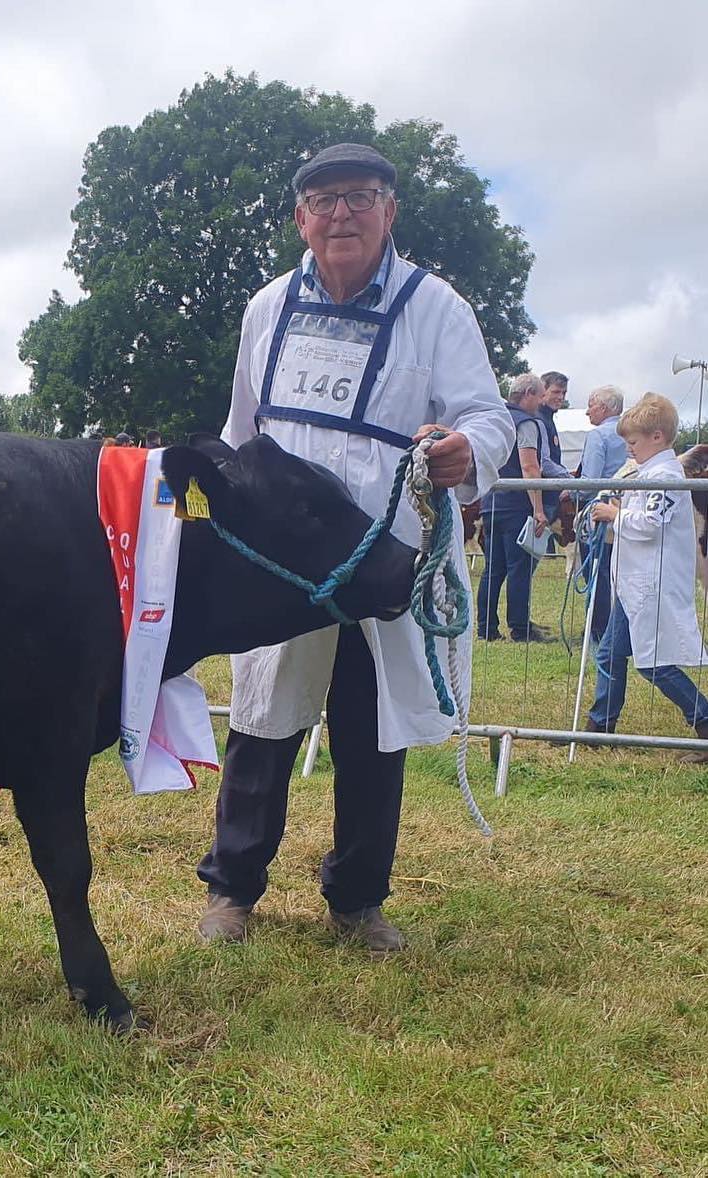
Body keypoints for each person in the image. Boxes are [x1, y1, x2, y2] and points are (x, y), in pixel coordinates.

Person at [198, 142, 513, 953]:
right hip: (284, 558)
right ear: (300, 218)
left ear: (389, 210)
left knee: (373, 725)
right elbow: (242, 429)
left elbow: (488, 417)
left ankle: (358, 899)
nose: (342, 213)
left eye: (360, 196)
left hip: (385, 552)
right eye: (324, 200)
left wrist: (466, 452)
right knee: (263, 719)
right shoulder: (267, 306)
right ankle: (233, 888)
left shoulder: (436, 307)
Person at [586, 393, 708, 761]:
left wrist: (614, 515)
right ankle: (599, 726)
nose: (629, 449)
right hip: (634, 584)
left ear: (657, 437)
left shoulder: (666, 476)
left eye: (634, 442)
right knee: (609, 653)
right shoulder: (649, 474)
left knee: (654, 664)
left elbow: (651, 524)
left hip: (651, 584)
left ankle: (704, 721)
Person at [475, 373, 553, 642]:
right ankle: (520, 629)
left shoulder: (495, 418)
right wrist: (538, 509)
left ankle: (486, 628)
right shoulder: (526, 423)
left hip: (490, 502)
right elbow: (529, 467)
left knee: (492, 569)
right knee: (519, 568)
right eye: (540, 396)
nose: (542, 402)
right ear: (528, 394)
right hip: (516, 505)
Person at [576, 385, 628, 642]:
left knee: (597, 571)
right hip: (627, 511)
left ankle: (598, 629)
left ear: (604, 408)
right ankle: (620, 628)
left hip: (600, 512)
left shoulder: (598, 435)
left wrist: (568, 491)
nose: (588, 412)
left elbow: (590, 481)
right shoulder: (630, 434)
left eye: (591, 406)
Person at [538, 371, 569, 468]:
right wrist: (566, 475)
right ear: (542, 392)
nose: (561, 397)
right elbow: (544, 463)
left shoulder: (547, 418)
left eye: (564, 393)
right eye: (556, 392)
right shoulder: (538, 420)